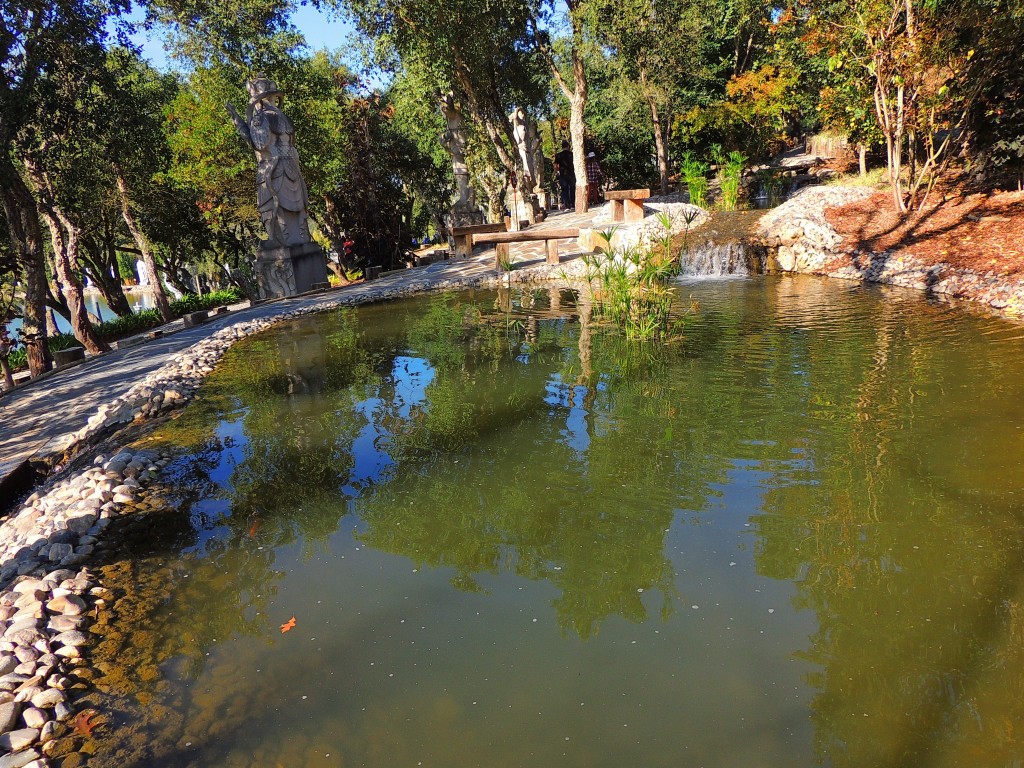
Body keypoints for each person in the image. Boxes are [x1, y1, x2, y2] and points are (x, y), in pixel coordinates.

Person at [554, 140, 575, 211]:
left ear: (562, 147)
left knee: (564, 189)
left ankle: (567, 206)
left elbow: (556, 166)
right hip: (571, 173)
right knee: (572, 189)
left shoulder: (558, 155)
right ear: (568, 146)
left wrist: (556, 172)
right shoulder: (572, 154)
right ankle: (573, 204)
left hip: (563, 174)